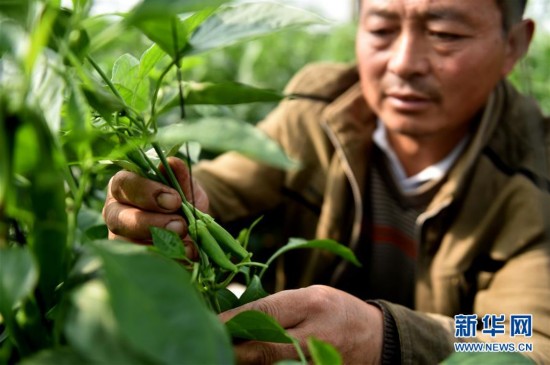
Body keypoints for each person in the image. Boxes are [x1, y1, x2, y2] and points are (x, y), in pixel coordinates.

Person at [103, 0, 550, 363]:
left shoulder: (536, 178)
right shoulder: (320, 111)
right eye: (381, 29)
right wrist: (167, 208)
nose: (404, 62)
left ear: (513, 45)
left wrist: (387, 335)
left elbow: (526, 338)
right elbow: (221, 188)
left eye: (446, 34)